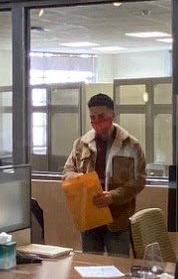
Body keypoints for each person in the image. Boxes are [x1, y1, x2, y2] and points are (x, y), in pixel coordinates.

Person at [62, 92, 146, 257]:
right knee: (91, 265)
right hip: (89, 216)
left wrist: (113, 196)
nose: (97, 122)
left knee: (119, 264)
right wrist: (75, 178)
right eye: (92, 118)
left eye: (101, 116)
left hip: (117, 218)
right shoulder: (81, 144)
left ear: (113, 115)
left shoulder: (131, 145)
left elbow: (139, 180)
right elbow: (67, 171)